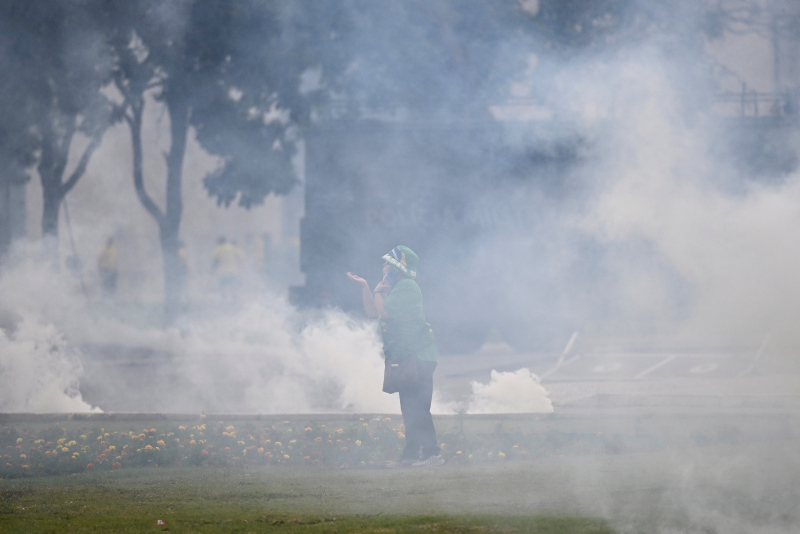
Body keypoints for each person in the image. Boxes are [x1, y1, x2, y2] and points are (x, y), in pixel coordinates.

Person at [347, 246, 443, 468]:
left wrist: (378, 291)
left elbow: (385, 312)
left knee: (418, 408)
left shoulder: (407, 286)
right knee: (409, 408)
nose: (383, 267)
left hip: (419, 355)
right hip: (407, 356)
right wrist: (366, 287)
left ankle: (433, 455)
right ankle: (410, 456)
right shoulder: (397, 288)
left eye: (387, 264)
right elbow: (373, 312)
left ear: (397, 268)